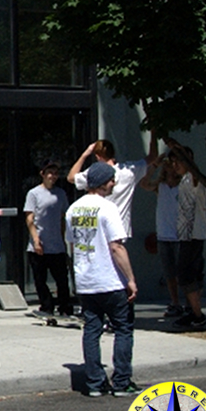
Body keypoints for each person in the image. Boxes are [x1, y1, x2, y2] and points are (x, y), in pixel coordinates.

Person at [65, 162, 138, 398]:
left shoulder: (73, 209)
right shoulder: (108, 208)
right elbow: (116, 246)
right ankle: (121, 381)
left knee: (92, 329)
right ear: (103, 183)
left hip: (86, 280)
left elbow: (72, 243)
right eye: (111, 180)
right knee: (123, 329)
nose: (113, 184)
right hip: (110, 280)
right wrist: (130, 279)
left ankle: (95, 382)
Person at [166, 139, 206, 330]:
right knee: (190, 275)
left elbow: (195, 173)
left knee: (187, 275)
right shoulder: (184, 181)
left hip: (193, 235)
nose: (175, 166)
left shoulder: (194, 179)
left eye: (178, 162)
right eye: (173, 162)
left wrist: (180, 151)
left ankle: (197, 314)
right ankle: (192, 310)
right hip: (186, 236)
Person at [24, 161, 72, 318]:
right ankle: (47, 305)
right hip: (39, 244)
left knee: (61, 279)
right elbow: (29, 218)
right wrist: (36, 239)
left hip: (56, 244)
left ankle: (65, 306)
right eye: (49, 173)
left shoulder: (61, 194)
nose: (53, 176)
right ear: (43, 174)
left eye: (55, 173)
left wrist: (64, 239)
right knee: (40, 279)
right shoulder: (34, 193)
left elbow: (63, 217)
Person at [138, 154, 183, 318]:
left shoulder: (183, 185)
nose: (170, 168)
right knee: (169, 272)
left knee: (182, 272)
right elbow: (144, 183)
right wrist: (154, 166)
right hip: (164, 235)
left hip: (180, 235)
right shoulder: (161, 186)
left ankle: (190, 303)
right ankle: (175, 302)